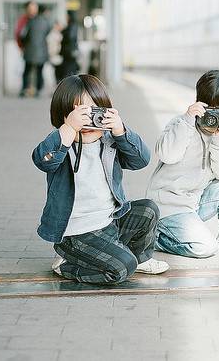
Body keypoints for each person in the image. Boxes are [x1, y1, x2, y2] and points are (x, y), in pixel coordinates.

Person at [32, 74, 169, 284]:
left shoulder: (110, 141)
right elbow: (44, 161)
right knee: (122, 269)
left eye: (92, 112)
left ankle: (139, 259)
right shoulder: (61, 143)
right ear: (63, 115)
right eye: (79, 114)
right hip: (77, 234)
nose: (87, 122)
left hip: (109, 223)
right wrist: (68, 129)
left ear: (104, 111)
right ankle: (68, 265)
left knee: (148, 210)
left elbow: (141, 160)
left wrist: (121, 131)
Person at [147, 69, 219, 258]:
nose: (214, 117)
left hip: (197, 203)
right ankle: (153, 236)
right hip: (170, 207)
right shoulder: (181, 124)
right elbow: (167, 155)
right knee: (205, 248)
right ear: (200, 103)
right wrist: (186, 121)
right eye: (211, 109)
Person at [18, 1, 51, 98]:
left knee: (27, 71)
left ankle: (25, 89)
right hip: (42, 51)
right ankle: (38, 90)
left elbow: (23, 35)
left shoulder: (30, 21)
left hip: (29, 51)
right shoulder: (46, 22)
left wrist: (24, 45)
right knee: (39, 72)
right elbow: (47, 34)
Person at [59, 10, 80, 79]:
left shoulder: (72, 26)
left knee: (68, 70)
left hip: (69, 52)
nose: (66, 17)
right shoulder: (72, 25)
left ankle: (70, 86)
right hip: (70, 52)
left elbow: (70, 37)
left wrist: (63, 31)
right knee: (69, 69)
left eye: (67, 16)